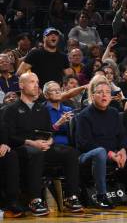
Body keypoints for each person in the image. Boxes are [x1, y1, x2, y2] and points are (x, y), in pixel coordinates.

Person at [3, 72, 84, 215]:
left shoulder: (42, 109)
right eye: (32, 82)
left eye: (37, 82)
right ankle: (35, 199)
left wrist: (50, 141)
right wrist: (32, 143)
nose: (36, 85)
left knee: (71, 153)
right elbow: (10, 137)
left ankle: (71, 197)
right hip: (22, 148)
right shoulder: (11, 109)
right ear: (21, 85)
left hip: (42, 147)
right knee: (36, 153)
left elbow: (49, 132)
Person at [76, 76, 127, 207]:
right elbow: (85, 143)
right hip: (89, 155)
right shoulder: (84, 115)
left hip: (114, 153)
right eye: (100, 92)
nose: (104, 95)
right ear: (93, 96)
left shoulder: (114, 113)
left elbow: (122, 136)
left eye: (107, 92)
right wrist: (110, 154)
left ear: (111, 96)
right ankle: (101, 196)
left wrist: (123, 150)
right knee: (100, 152)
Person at [43, 81, 74, 146]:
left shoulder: (68, 109)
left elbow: (74, 132)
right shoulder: (42, 110)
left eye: (59, 90)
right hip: (52, 145)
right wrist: (59, 123)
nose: (57, 92)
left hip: (71, 144)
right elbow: (43, 134)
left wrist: (72, 123)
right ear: (46, 95)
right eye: (53, 90)